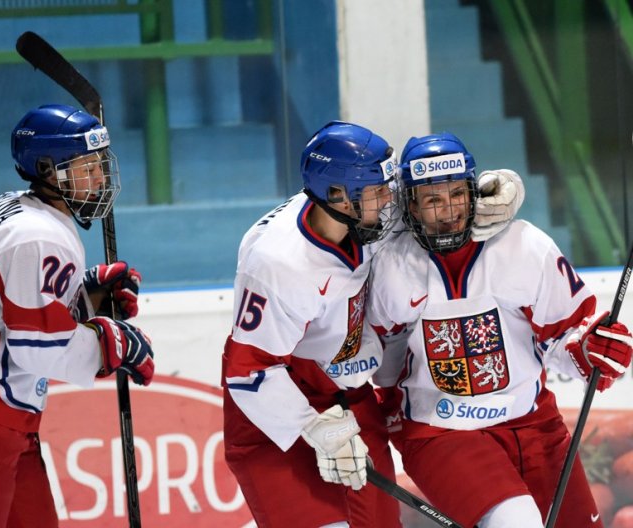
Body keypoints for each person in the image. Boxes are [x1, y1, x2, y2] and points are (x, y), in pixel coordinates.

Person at [221, 121, 525, 528]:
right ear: (337, 196)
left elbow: (428, 192)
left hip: (349, 396)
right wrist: (311, 426)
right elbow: (248, 373)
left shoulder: (360, 211)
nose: (390, 199)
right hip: (277, 411)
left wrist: (491, 189)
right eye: (378, 191)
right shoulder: (278, 264)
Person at [368, 131, 633, 528]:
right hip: (439, 430)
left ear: (475, 191)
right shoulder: (390, 263)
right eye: (432, 200)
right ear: (410, 205)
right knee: (515, 522)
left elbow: (567, 331)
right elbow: (378, 359)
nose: (448, 211)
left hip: (533, 424)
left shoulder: (523, 246)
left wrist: (590, 350)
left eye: (457, 194)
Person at [0, 104, 155, 528]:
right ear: (45, 169)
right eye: (85, 168)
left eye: (100, 165)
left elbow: (17, 304)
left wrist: (85, 296)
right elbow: (35, 347)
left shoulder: (22, 211)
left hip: (11, 417)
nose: (100, 179)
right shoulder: (36, 236)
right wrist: (108, 345)